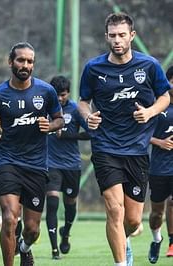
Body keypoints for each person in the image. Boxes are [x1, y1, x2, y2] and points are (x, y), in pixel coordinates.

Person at [78, 12, 171, 266]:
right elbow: (83, 102)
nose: (117, 40)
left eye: (122, 35)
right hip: (105, 147)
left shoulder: (149, 66)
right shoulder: (93, 68)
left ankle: (125, 239)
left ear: (132, 36)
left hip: (138, 150)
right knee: (114, 210)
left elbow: (165, 96)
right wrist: (88, 117)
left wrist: (150, 112)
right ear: (106, 37)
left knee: (131, 220)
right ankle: (121, 263)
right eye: (112, 36)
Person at [0, 42, 64, 266]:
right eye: (20, 60)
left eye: (29, 61)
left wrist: (51, 126)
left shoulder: (46, 91)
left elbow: (60, 119)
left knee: (32, 229)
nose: (25, 65)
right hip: (8, 162)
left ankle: (25, 248)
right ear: (11, 62)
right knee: (9, 218)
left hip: (37, 166)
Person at [44, 75, 89, 260]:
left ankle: (66, 232)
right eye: (56, 95)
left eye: (62, 95)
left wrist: (68, 135)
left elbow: (90, 134)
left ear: (68, 93)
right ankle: (54, 249)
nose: (60, 99)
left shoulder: (76, 110)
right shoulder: (44, 108)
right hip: (50, 163)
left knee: (70, 204)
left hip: (71, 165)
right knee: (52, 203)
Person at [147, 65, 173, 263]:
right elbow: (143, 133)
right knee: (157, 213)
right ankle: (157, 239)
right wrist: (161, 142)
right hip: (158, 168)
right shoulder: (157, 105)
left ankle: (172, 242)